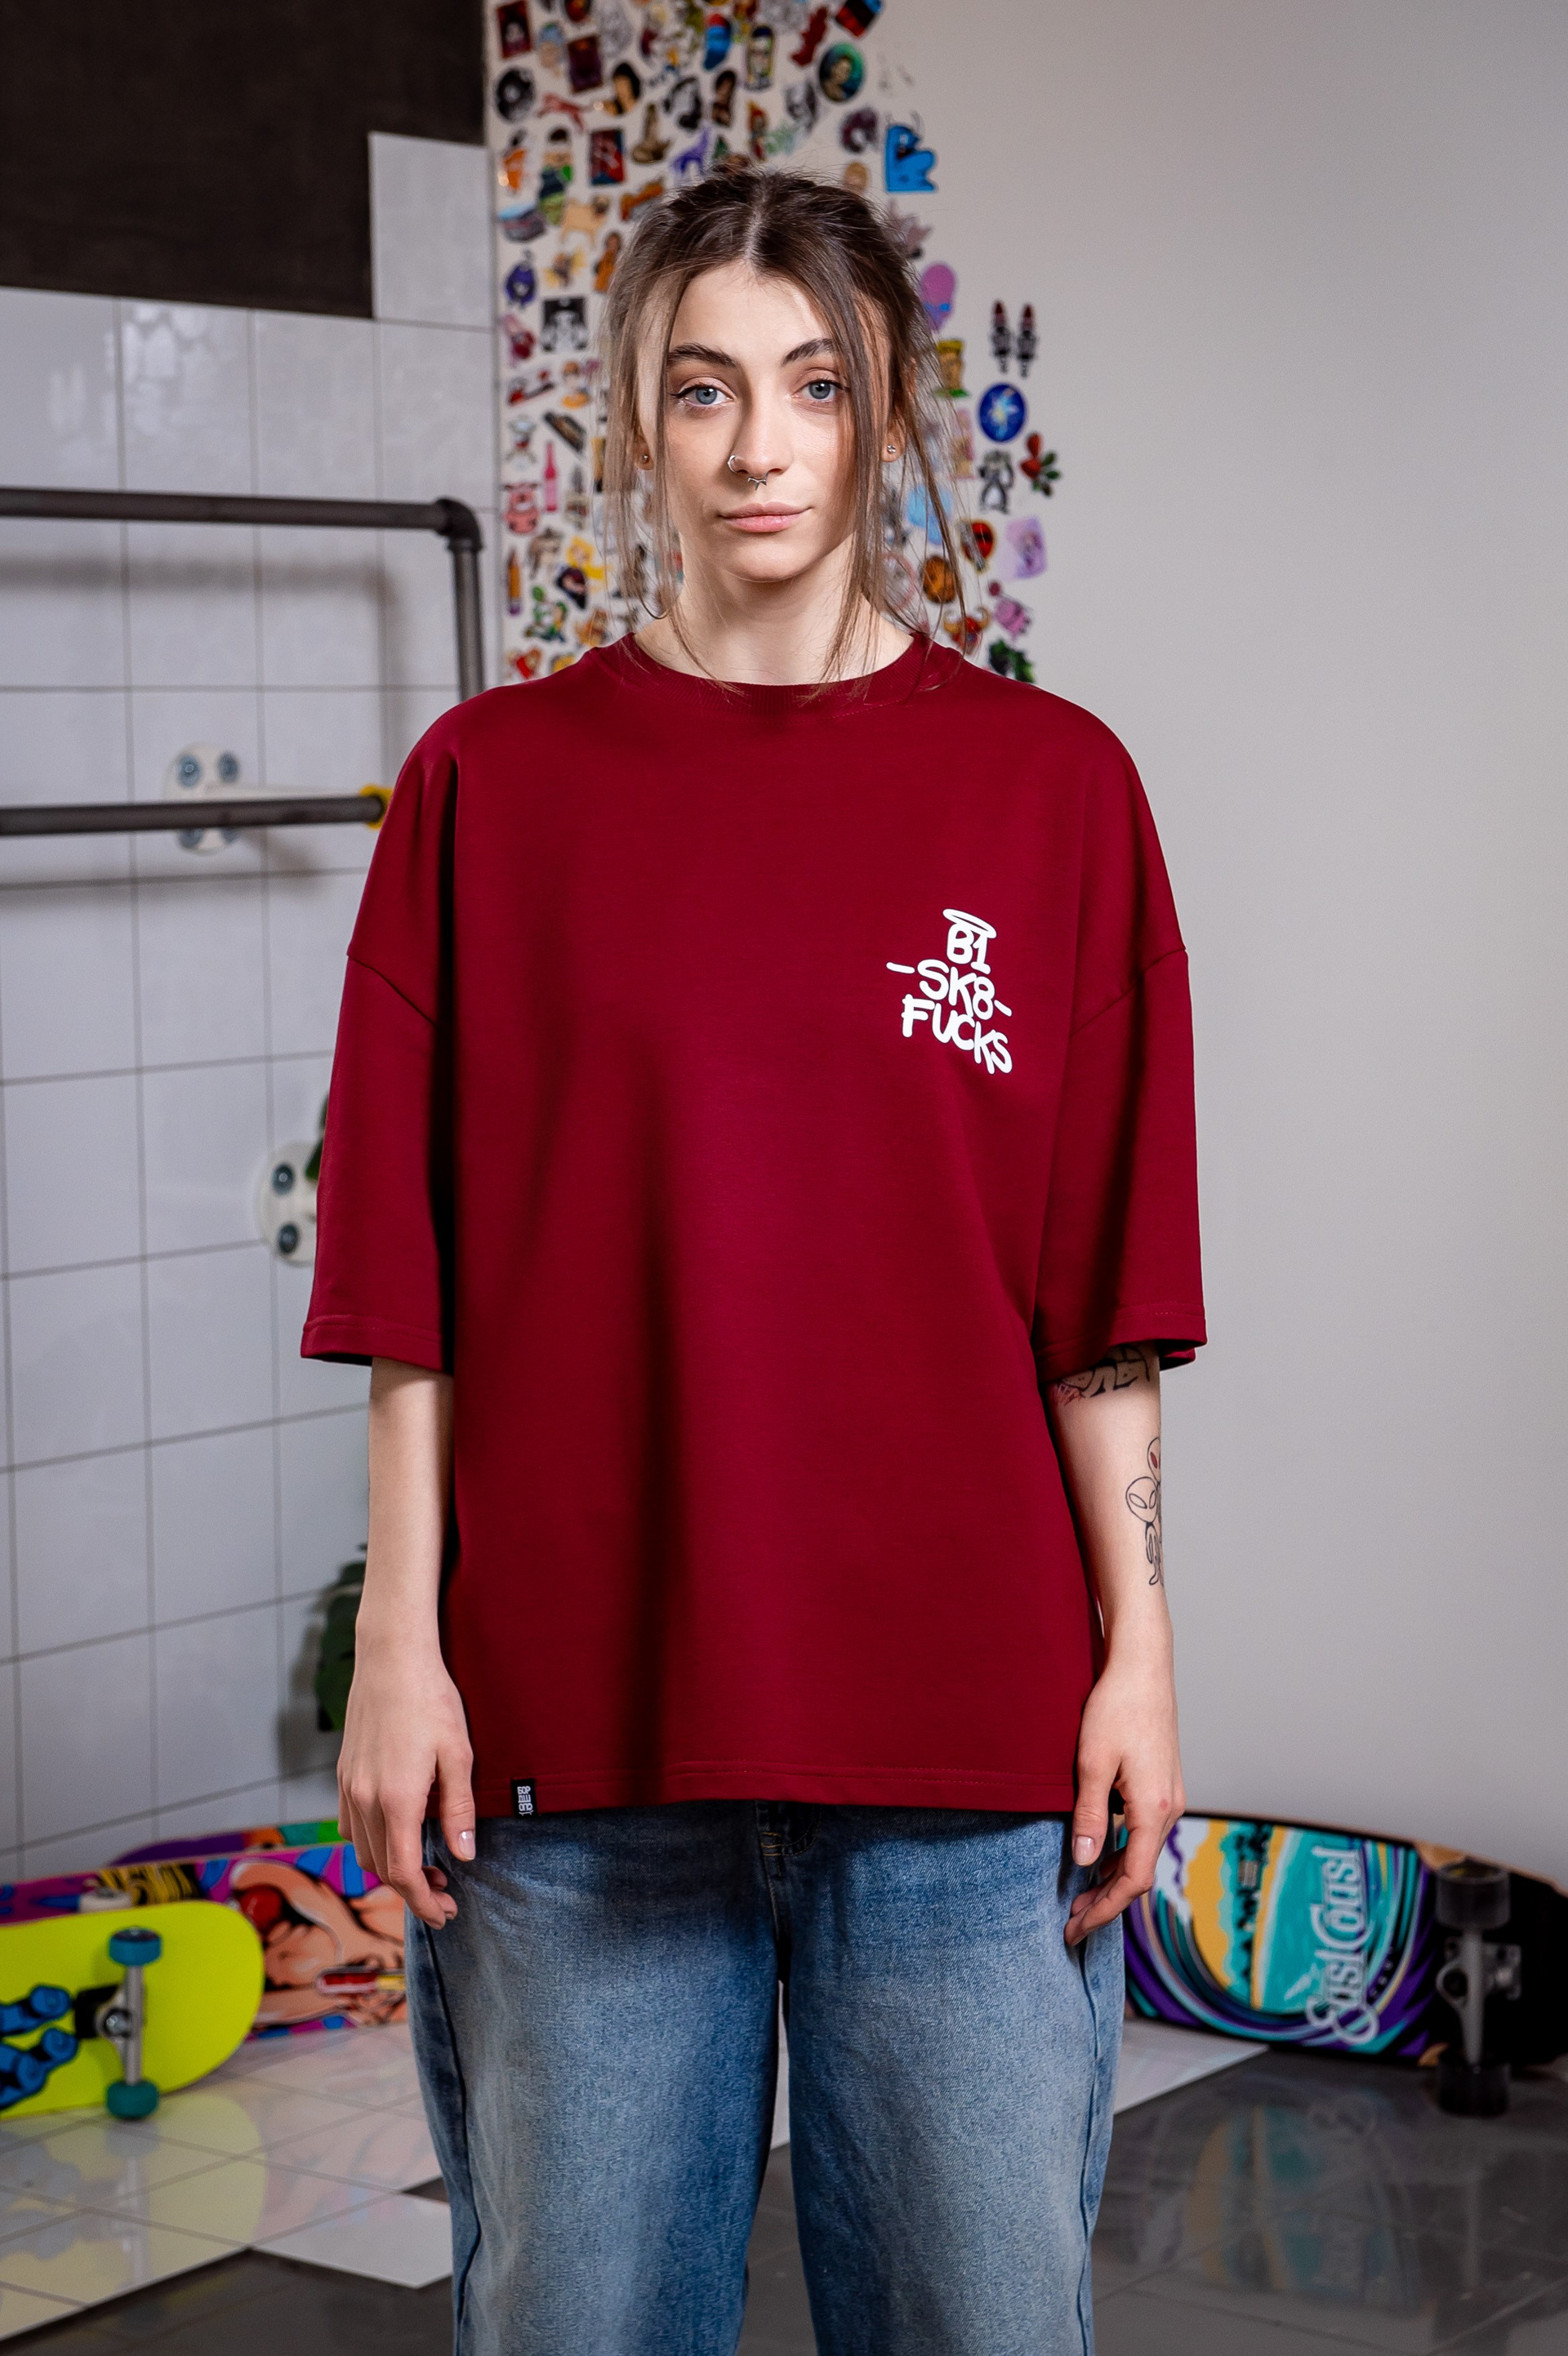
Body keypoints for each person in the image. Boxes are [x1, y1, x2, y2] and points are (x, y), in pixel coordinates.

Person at [305, 167, 1204, 2356]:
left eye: (813, 385)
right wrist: (400, 1645)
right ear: (639, 417)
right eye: (703, 389)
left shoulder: (1054, 793)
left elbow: (1101, 1302)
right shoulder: (489, 792)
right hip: (581, 1753)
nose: (757, 446)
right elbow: (409, 1281)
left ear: (884, 408)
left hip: (970, 1759)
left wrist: (1141, 1646)